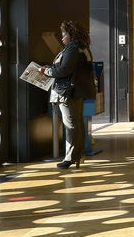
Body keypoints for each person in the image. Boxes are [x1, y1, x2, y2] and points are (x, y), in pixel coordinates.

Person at [38, 20, 96, 169]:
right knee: (77, 124)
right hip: (77, 91)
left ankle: (70, 157)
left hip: (68, 92)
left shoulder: (72, 49)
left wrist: (47, 72)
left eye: (64, 35)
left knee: (70, 125)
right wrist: (51, 67)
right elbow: (70, 68)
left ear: (71, 35)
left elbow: (65, 71)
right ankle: (78, 154)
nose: (62, 38)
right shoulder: (83, 48)